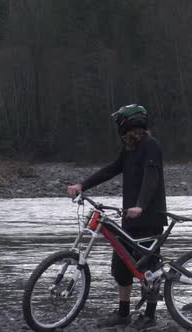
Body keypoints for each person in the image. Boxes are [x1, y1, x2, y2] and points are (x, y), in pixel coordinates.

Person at [67, 104, 167, 329]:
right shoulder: (129, 150)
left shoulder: (150, 146)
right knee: (121, 267)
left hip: (149, 217)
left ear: (128, 124)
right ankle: (123, 314)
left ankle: (150, 317)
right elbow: (110, 170)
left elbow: (152, 179)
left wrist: (141, 206)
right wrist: (82, 185)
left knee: (148, 268)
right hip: (129, 217)